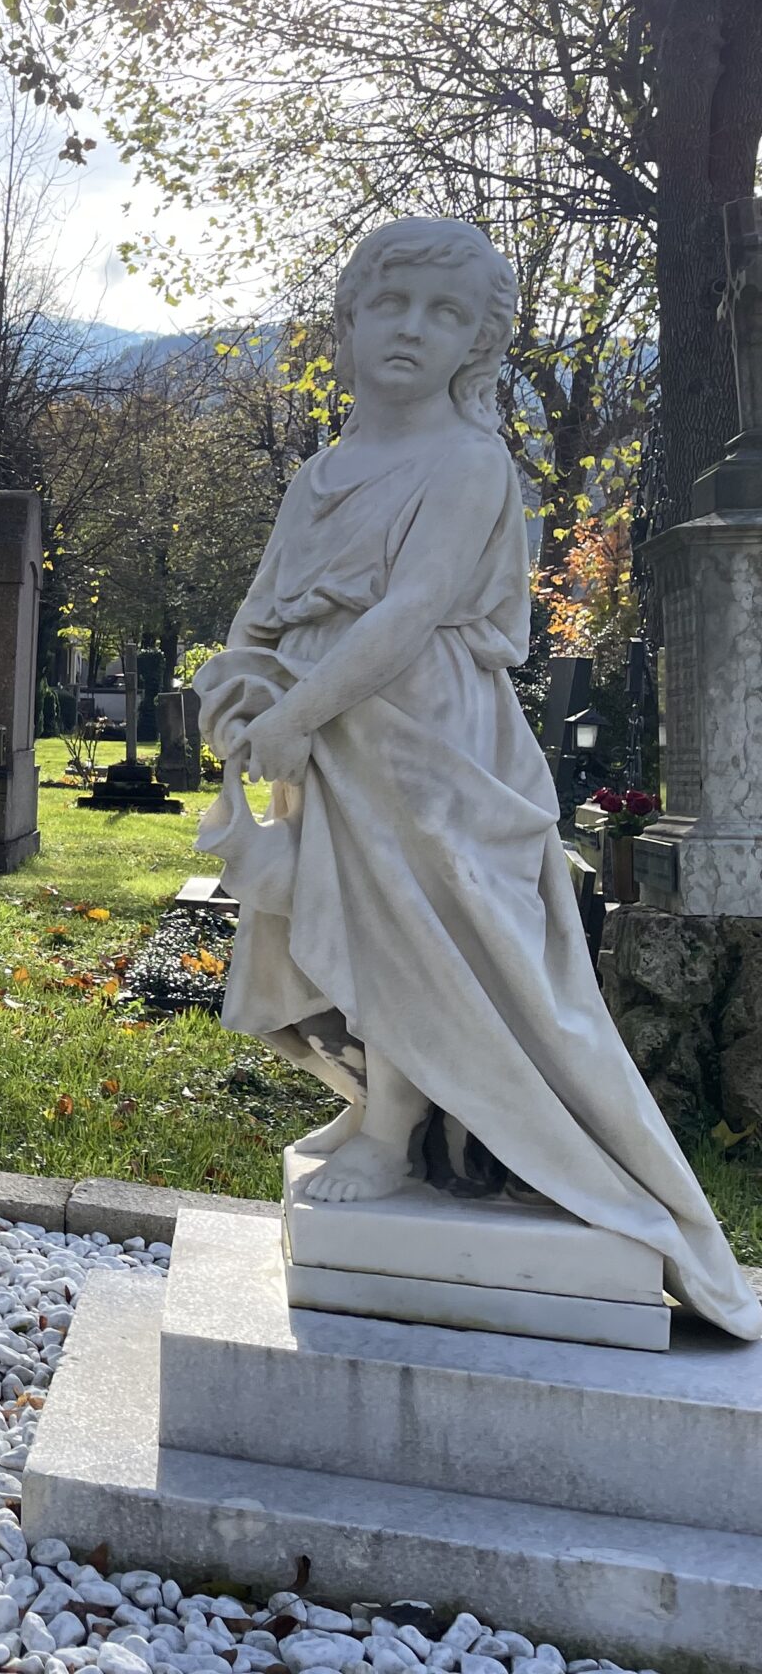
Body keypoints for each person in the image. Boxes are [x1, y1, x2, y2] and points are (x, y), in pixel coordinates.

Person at [194, 216, 759, 1339]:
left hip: (423, 740)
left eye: (446, 314)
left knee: (431, 938)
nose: (413, 328)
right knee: (368, 930)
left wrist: (297, 711)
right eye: (392, 304)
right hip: (328, 744)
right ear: (346, 323)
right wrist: (243, 687)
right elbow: (263, 613)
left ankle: (394, 1133)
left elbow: (408, 615)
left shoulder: (464, 461)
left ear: (477, 345)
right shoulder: (318, 476)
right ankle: (393, 1124)